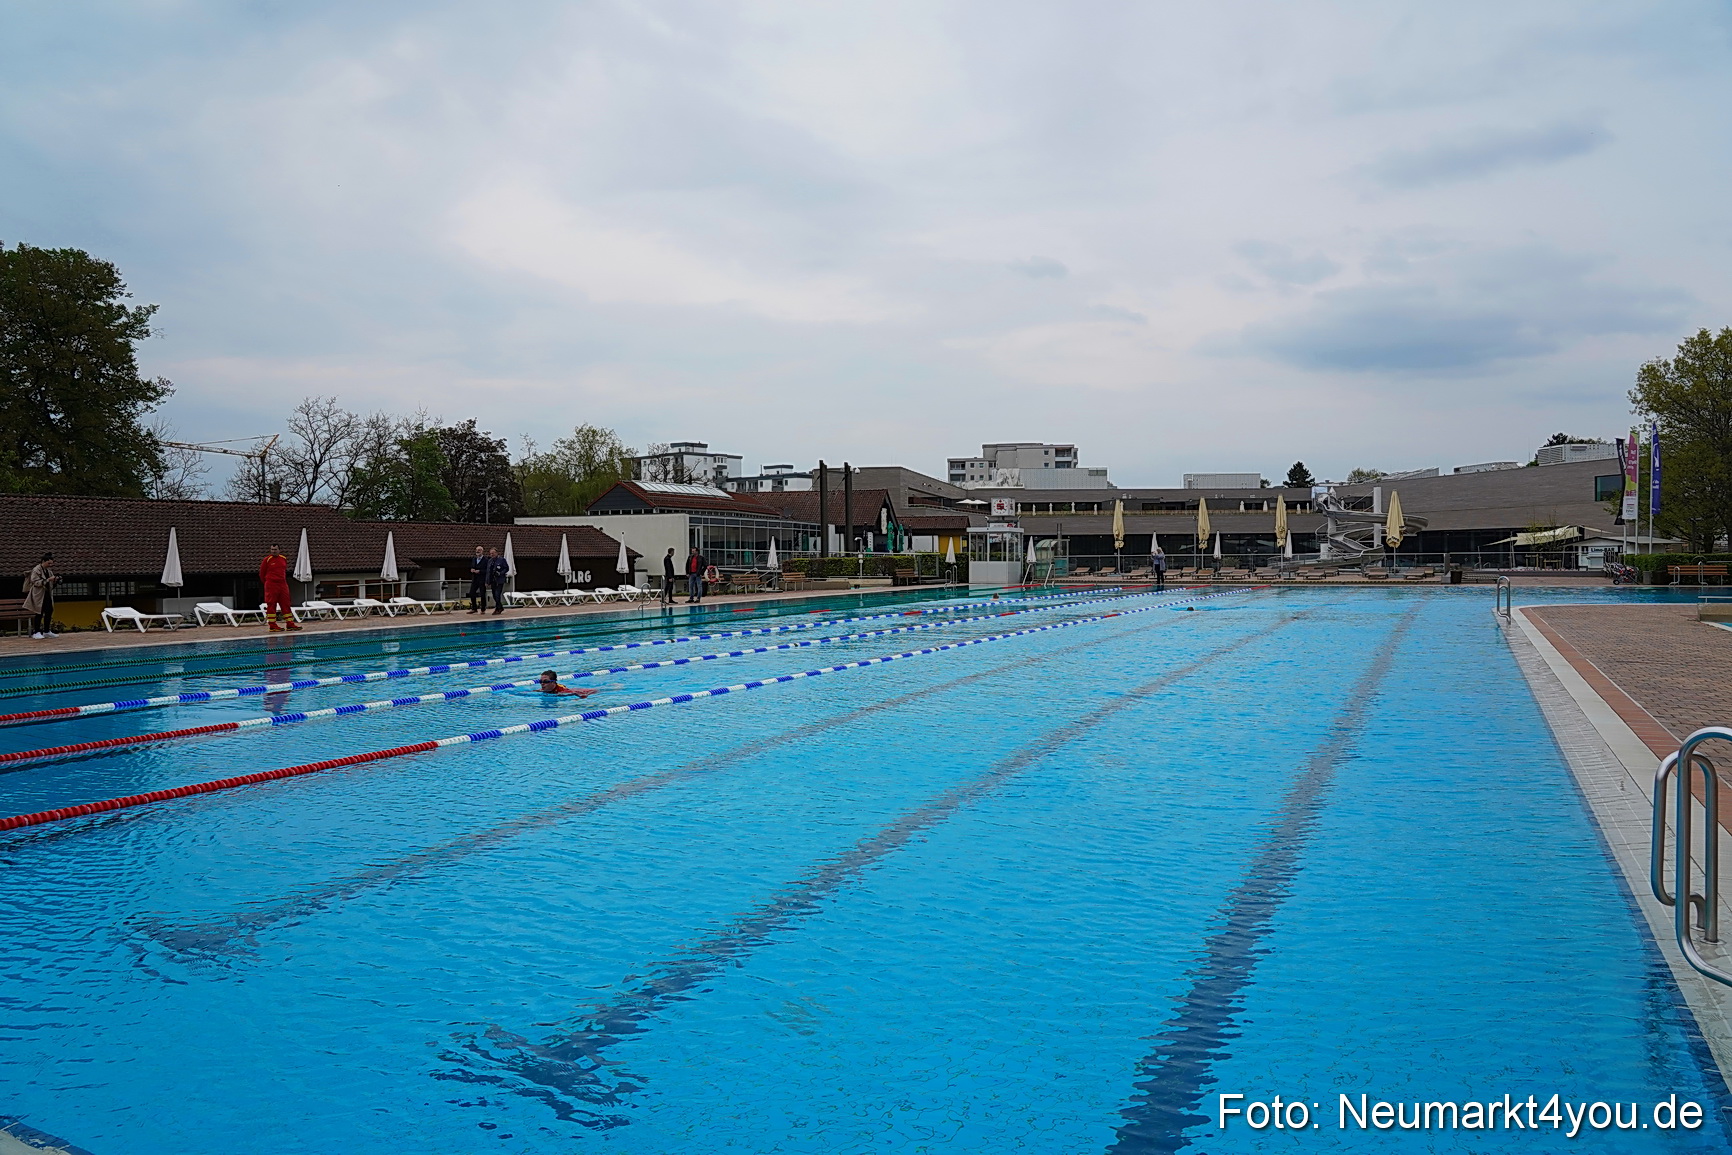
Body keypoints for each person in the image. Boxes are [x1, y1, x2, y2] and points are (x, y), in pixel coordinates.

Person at [260, 545, 301, 632]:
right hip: (271, 584)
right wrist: (268, 582)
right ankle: (272, 625)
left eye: (275, 549)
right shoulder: (267, 560)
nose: (273, 551)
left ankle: (290, 624)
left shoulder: (283, 558)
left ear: (279, 550)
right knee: (271, 604)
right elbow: (262, 574)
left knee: (286, 603)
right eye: (272, 549)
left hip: (282, 584)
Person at [24, 553, 59, 639]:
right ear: (43, 561)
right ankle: (36, 632)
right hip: (39, 595)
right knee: (39, 612)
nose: (50, 565)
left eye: (51, 564)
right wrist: (47, 580)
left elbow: (51, 583)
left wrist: (55, 580)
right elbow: (35, 582)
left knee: (49, 611)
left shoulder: (49, 571)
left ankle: (47, 631)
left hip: (47, 594)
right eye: (49, 563)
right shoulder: (36, 570)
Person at [484, 547, 510, 614]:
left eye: (493, 553)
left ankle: (497, 608)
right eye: (490, 553)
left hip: (499, 580)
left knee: (497, 594)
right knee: (494, 595)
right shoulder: (490, 561)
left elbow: (506, 568)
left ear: (496, 553)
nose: (492, 555)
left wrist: (500, 573)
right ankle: (500, 607)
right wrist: (487, 581)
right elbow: (488, 572)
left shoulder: (502, 560)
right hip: (493, 580)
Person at [467, 546, 486, 614]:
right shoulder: (474, 559)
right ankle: (474, 608)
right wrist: (472, 570)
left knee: (482, 594)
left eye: (479, 550)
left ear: (482, 551)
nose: (478, 551)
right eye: (477, 550)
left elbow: (487, 570)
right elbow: (472, 566)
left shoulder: (485, 560)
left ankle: (483, 609)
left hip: (482, 579)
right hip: (475, 579)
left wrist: (480, 571)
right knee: (472, 593)